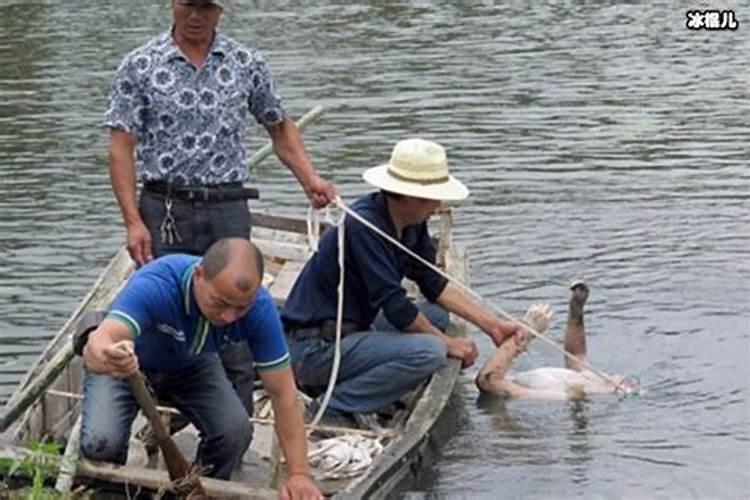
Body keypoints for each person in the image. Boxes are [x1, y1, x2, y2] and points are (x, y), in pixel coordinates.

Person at [104, 0, 336, 425]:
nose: (197, 16)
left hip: (228, 205)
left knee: (234, 308)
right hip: (165, 205)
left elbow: (279, 127)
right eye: (190, 5)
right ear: (174, 4)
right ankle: (164, 416)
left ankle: (236, 425)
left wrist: (311, 179)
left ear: (221, 10)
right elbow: (121, 147)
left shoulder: (246, 62)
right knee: (167, 311)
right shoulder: (139, 64)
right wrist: (133, 221)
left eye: (207, 7)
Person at [280, 138, 522, 426]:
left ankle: (369, 377)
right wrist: (447, 343)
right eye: (433, 198)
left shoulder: (411, 222)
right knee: (430, 352)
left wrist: (491, 324)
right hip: (315, 348)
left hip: (354, 326)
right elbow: (394, 305)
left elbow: (432, 281)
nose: (438, 206)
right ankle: (335, 405)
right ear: (409, 196)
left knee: (436, 314)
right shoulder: (365, 227)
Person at [80, 238, 323, 498]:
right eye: (220, 303)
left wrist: (299, 474)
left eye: (241, 308)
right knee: (100, 444)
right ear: (199, 276)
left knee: (234, 432)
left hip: (191, 364)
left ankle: (197, 491)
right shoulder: (156, 284)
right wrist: (106, 355)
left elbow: (283, 393)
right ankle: (112, 492)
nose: (229, 317)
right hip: (127, 366)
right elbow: (99, 342)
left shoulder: (260, 309)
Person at [475, 280, 640, 399]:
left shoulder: (560, 394)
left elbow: (489, 382)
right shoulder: (584, 381)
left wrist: (527, 330)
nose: (622, 378)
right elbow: (576, 355)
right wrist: (576, 311)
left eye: (625, 383)